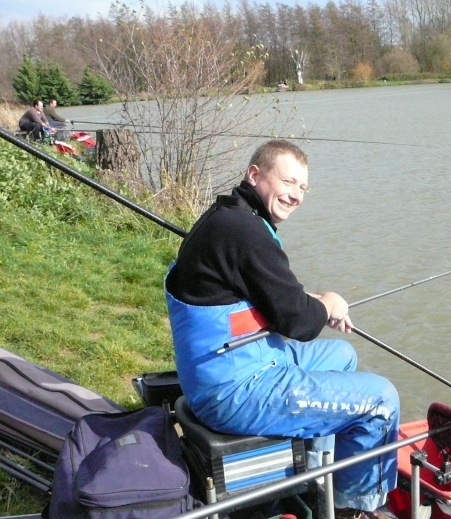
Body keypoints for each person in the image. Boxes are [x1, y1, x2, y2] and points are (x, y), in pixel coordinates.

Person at [165, 139, 399, 519]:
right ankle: (352, 510)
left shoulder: (227, 217)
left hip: (236, 361)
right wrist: (328, 303)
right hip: (233, 390)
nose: (296, 196)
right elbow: (298, 322)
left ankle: (315, 471)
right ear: (255, 175)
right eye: (288, 182)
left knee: (343, 354)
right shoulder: (247, 232)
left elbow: (273, 293)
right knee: (381, 401)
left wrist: (318, 301)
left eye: (303, 188)